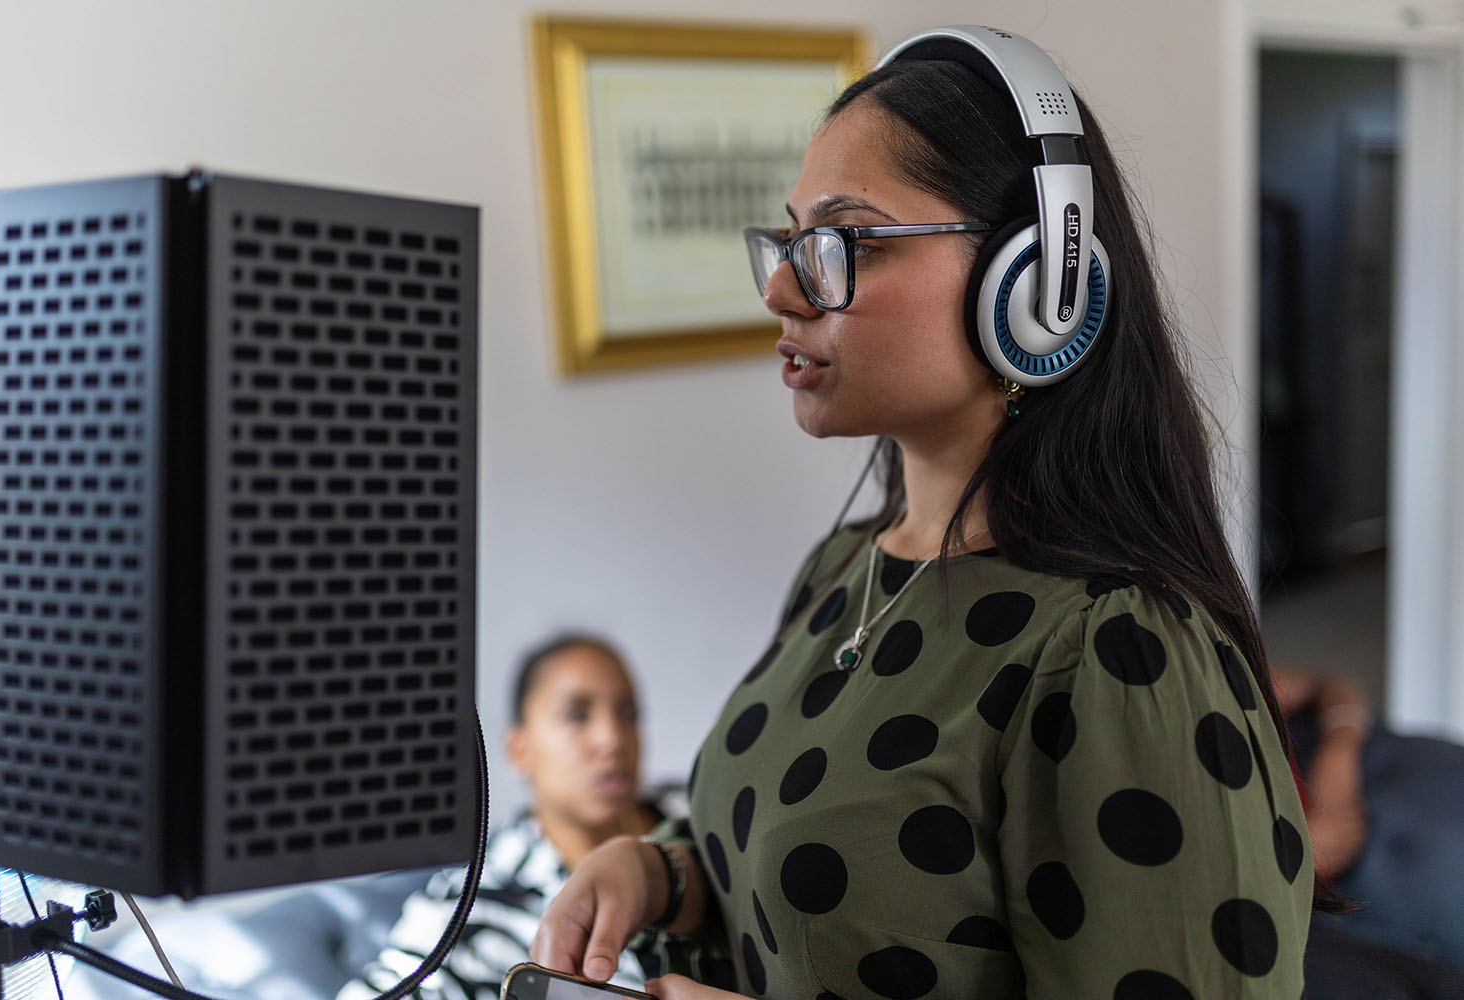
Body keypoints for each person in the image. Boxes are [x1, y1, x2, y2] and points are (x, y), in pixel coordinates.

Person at [530, 26, 1317, 1000]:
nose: (780, 289)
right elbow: (829, 878)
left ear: (1039, 284)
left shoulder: (1116, 647)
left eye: (845, 241)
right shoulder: (847, 566)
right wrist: (663, 875)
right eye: (789, 241)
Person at [337, 634, 719, 1000]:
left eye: (627, 714)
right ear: (518, 749)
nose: (612, 739)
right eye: (576, 715)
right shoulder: (473, 905)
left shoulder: (706, 817)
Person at [1274, 664, 1464, 992]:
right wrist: (1296, 858)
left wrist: (1339, 746)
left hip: (1382, 771)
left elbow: (1331, 684)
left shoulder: (1213, 679)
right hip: (1337, 905)